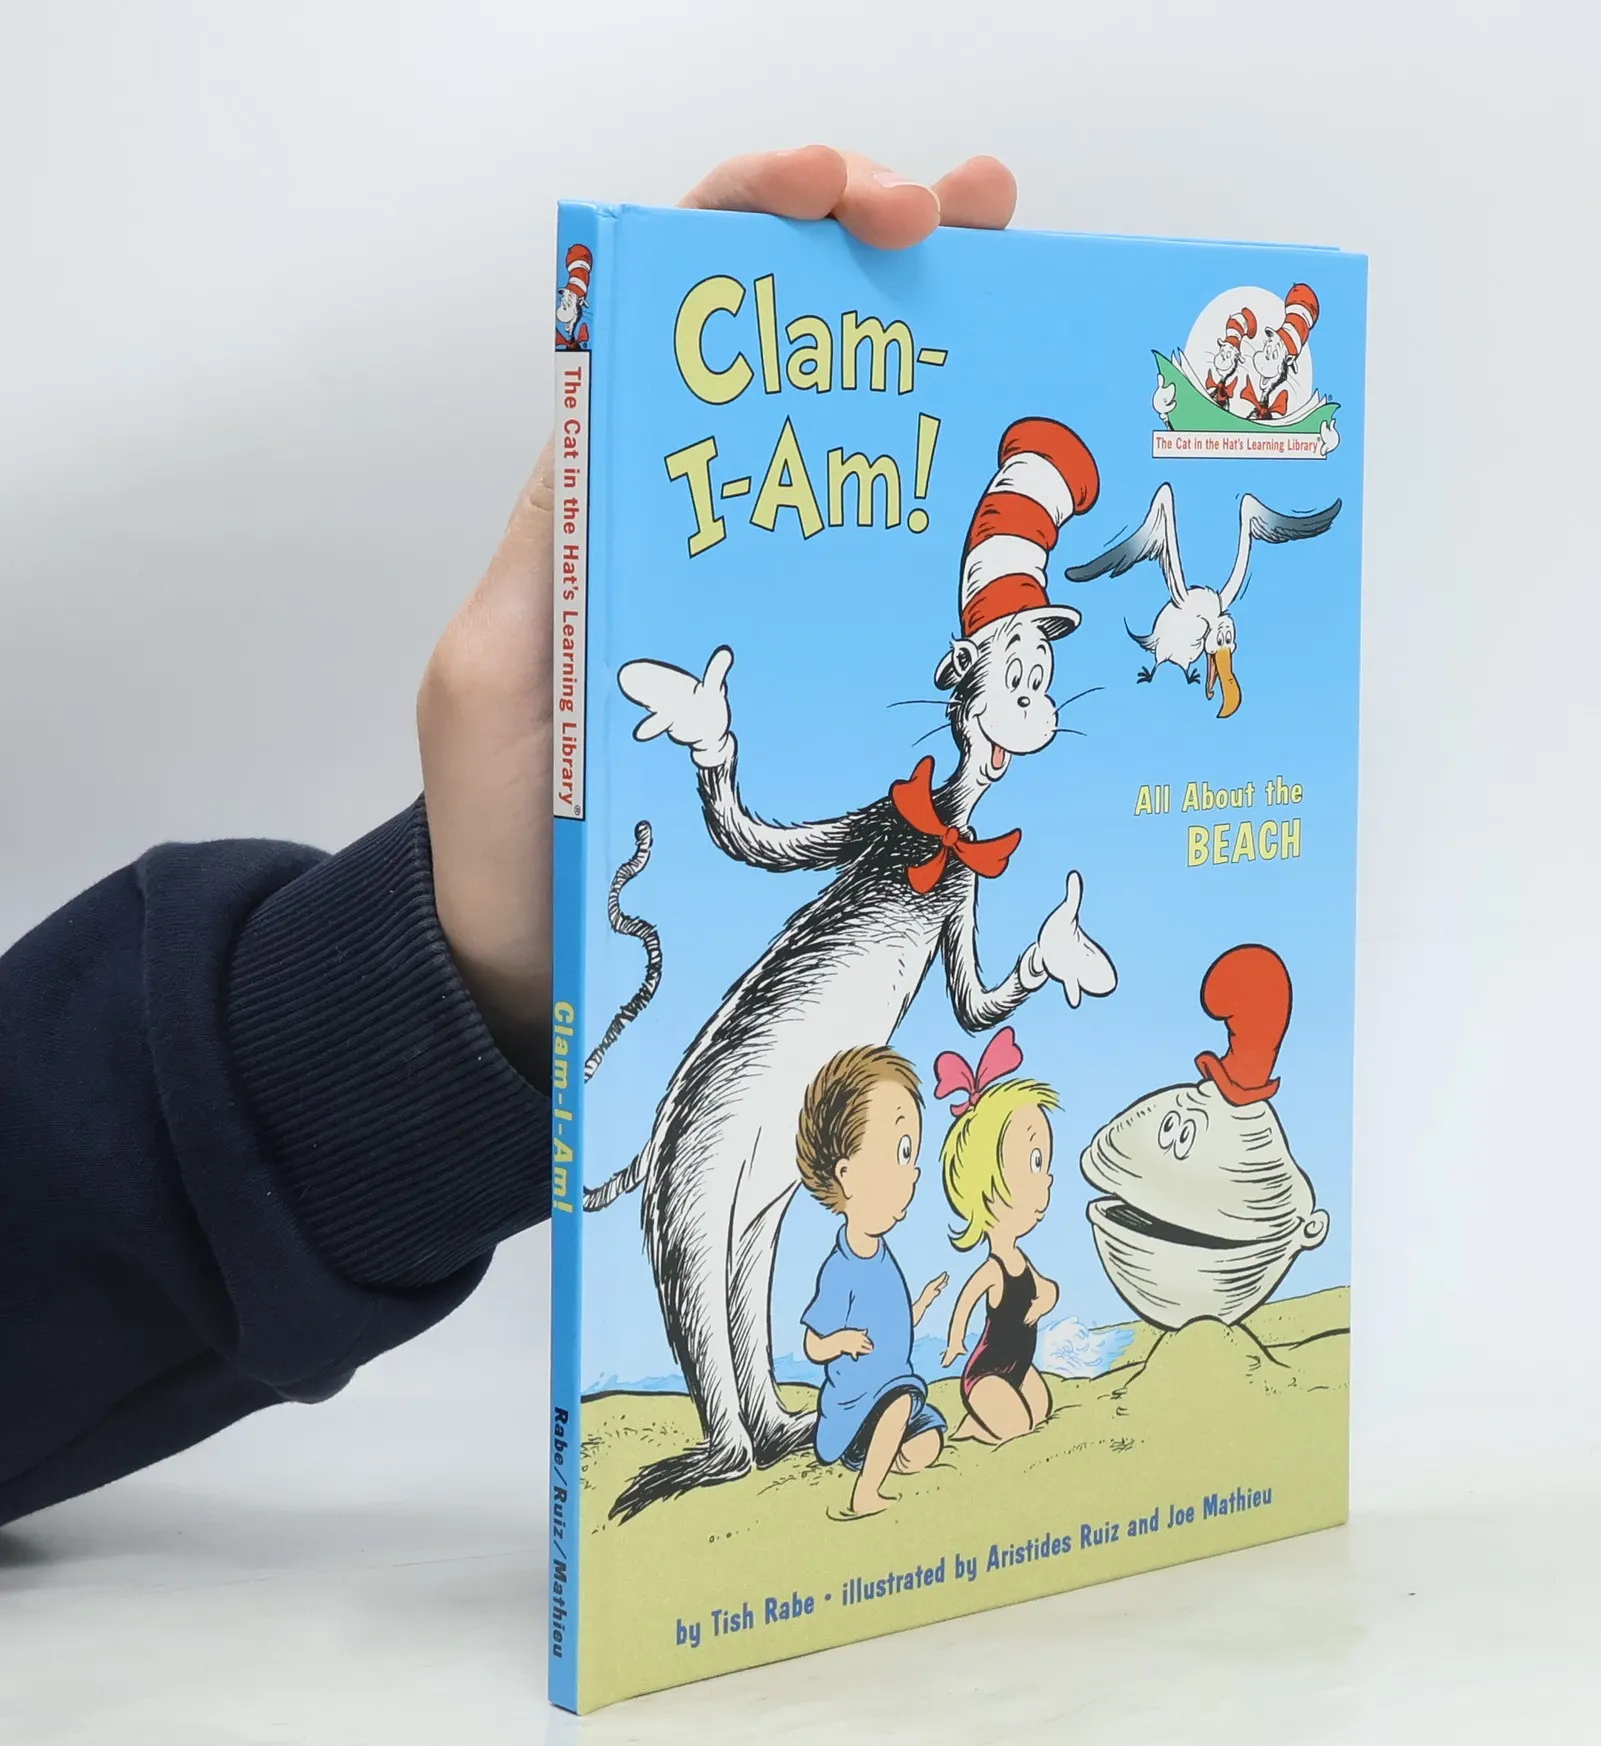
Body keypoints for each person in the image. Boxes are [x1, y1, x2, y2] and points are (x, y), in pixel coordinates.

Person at [0, 148, 1019, 1531]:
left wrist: (470, 969)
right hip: (745, 1071)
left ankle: (761, 1427)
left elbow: (971, 998)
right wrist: (713, 759)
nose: (1035, 690)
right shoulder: (898, 823)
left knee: (770, 1223)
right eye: (1018, 663)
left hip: (800, 1080)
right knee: (711, 1219)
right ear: (968, 687)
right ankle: (736, 1431)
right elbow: (762, 845)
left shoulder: (968, 866)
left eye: (1042, 668)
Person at [795, 1047, 949, 1516]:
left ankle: (883, 1456)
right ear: (847, 1175)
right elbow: (812, 1345)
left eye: (911, 1155)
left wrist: (922, 1302)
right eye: (898, 1154)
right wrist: (840, 1340)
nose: (913, 1173)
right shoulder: (840, 1269)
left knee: (928, 1442)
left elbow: (894, 1323)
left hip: (893, 1389)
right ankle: (864, 1493)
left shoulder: (884, 1258)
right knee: (901, 1403)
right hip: (858, 1406)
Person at [935, 1030, 1061, 1446]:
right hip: (986, 1374)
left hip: (1018, 1366)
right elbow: (966, 1301)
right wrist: (955, 1341)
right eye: (1034, 1162)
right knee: (1018, 1427)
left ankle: (981, 1424)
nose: (1047, 1178)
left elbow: (1047, 1288)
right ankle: (974, 1426)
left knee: (1042, 1410)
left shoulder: (1022, 1262)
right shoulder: (993, 1271)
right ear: (989, 1189)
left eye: (1044, 1163)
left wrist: (1046, 1299)